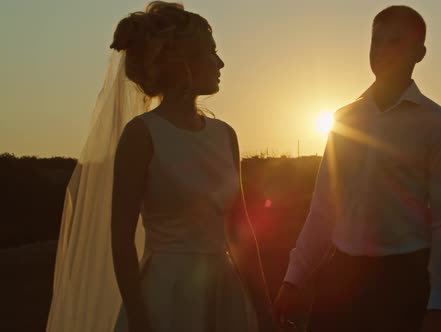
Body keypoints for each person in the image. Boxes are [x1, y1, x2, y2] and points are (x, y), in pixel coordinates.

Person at [46, 2, 272, 332]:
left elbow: (243, 231)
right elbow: (122, 240)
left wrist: (264, 310)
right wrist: (139, 318)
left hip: (224, 292)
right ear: (184, 64)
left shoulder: (226, 135)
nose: (220, 62)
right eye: (211, 52)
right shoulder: (143, 134)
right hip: (167, 295)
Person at [273, 5, 441, 332]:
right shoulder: (344, 119)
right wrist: (294, 279)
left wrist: (439, 304)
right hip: (340, 279)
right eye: (376, 41)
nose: (382, 51)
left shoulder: (440, 126)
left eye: (396, 42)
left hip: (403, 281)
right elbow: (323, 208)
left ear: (419, 53)